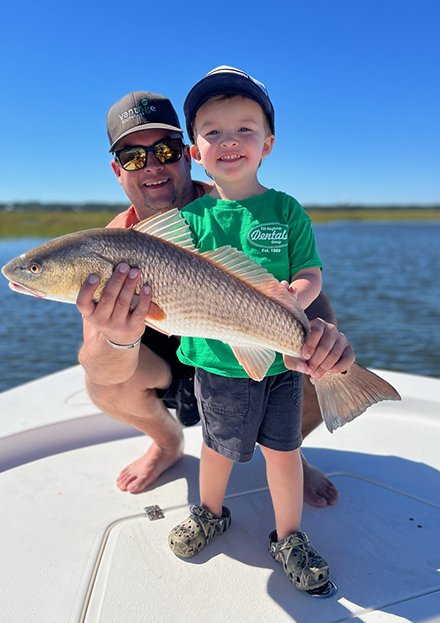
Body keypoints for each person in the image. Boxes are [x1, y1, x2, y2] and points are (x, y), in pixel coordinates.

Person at [76, 87, 354, 509]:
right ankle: (166, 443)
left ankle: (289, 451)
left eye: (166, 150)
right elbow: (99, 365)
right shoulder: (113, 241)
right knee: (102, 378)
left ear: (188, 154)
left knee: (320, 357)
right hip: (169, 359)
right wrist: (117, 337)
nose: (152, 166)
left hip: (248, 342)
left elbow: (297, 290)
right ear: (118, 170)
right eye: (134, 157)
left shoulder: (233, 204)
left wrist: (324, 337)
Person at [166, 66, 331, 592]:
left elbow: (309, 273)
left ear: (268, 143)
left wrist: (294, 297)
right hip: (216, 362)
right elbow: (168, 278)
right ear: (195, 151)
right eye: (212, 131)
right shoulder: (190, 218)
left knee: (285, 454)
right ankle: (209, 512)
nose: (229, 140)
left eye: (245, 128)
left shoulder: (285, 209)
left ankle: (289, 536)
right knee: (215, 447)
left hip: (281, 358)